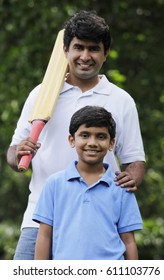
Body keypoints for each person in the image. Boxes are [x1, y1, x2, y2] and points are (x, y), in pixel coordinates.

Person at [7, 10, 145, 260]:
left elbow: (134, 160)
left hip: (98, 224)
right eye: (78, 47)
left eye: (94, 49)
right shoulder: (40, 95)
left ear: (105, 53)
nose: (85, 56)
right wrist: (19, 153)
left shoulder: (122, 100)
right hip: (39, 218)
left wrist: (129, 180)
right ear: (65, 51)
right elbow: (13, 153)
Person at [33, 106, 142, 260]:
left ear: (112, 143)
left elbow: (129, 241)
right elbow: (44, 236)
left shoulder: (122, 186)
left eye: (101, 137)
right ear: (72, 140)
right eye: (85, 135)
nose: (92, 143)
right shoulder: (54, 184)